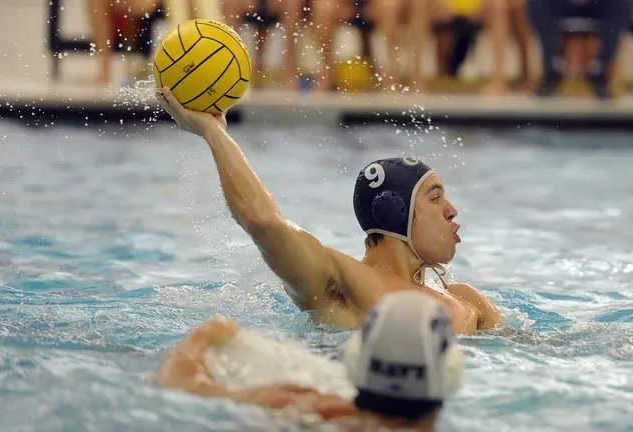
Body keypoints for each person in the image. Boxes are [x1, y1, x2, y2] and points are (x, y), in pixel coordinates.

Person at [155, 86, 505, 335]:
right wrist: (213, 132)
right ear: (392, 212)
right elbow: (261, 220)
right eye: (435, 197)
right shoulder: (341, 281)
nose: (452, 210)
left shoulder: (469, 302)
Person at [154, 291, 464, 430]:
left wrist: (206, 334)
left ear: (356, 361)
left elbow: (175, 383)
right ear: (451, 374)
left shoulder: (299, 407)